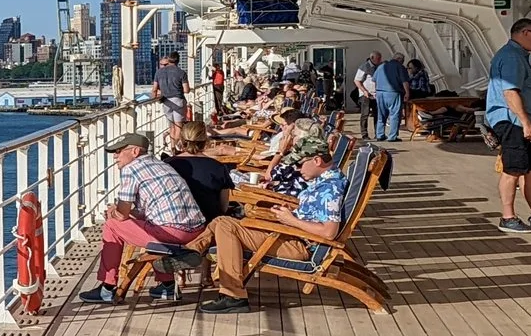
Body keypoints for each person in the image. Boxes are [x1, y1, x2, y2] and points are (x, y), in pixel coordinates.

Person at [196, 138, 344, 314]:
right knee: (220, 222)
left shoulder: (330, 189)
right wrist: (291, 212)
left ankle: (233, 295)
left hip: (299, 244)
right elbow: (315, 214)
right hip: (291, 235)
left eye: (300, 164)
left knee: (226, 226)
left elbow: (329, 232)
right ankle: (192, 250)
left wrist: (292, 220)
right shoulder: (323, 182)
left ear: (317, 161)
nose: (297, 169)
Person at [78, 129, 209, 305]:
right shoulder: (160, 165)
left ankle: (107, 288)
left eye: (119, 151)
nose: (115, 157)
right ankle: (167, 286)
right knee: (151, 228)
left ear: (135, 151)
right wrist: (124, 212)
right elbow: (146, 211)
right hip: (197, 229)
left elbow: (121, 215)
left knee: (111, 225)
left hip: (172, 232)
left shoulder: (132, 169)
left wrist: (113, 212)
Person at [486, 18, 531, 233]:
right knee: (513, 169)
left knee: (529, 169)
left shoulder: (518, 56)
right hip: (513, 122)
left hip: (520, 122)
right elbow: (510, 92)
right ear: (523, 33)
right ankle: (508, 216)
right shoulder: (512, 57)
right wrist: (525, 122)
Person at [167, 118, 234, 221]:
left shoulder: (168, 164)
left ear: (182, 140)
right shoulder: (218, 167)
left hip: (175, 220)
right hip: (209, 221)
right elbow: (223, 207)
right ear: (206, 141)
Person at [373, 52, 411, 142]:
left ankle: (380, 134)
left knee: (381, 115)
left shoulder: (381, 66)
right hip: (393, 93)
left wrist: (376, 91)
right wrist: (407, 93)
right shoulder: (400, 67)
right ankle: (392, 136)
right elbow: (404, 81)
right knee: (394, 115)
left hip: (380, 93)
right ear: (400, 60)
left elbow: (374, 80)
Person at [150, 50, 189, 131]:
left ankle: (172, 144)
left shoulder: (158, 72)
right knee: (179, 126)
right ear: (178, 61)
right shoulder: (181, 72)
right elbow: (186, 90)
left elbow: (154, 89)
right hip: (178, 99)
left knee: (171, 126)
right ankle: (178, 144)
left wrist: (153, 99)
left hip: (166, 100)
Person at [352, 54, 380, 137]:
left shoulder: (379, 67)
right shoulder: (364, 67)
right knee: (365, 114)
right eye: (378, 58)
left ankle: (378, 133)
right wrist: (364, 91)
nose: (379, 60)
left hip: (376, 94)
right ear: (372, 58)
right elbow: (357, 80)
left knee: (377, 114)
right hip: (365, 94)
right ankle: (364, 134)